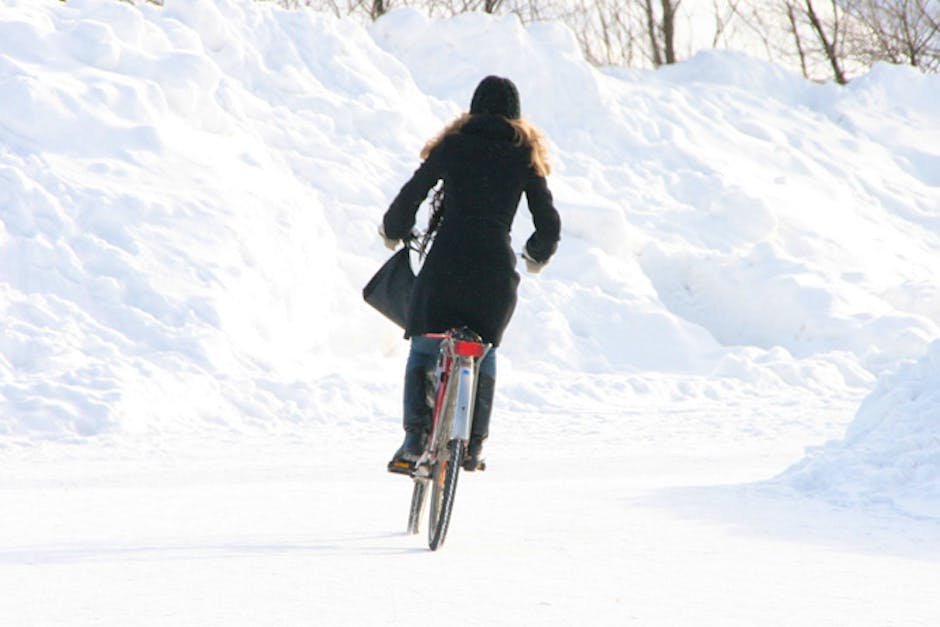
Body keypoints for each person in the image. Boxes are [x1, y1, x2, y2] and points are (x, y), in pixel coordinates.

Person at [380, 75, 561, 472]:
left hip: (446, 267)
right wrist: (535, 253)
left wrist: (394, 230)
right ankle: (474, 443)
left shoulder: (453, 145)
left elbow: (410, 196)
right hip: (493, 276)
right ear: (516, 116)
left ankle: (414, 440)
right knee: (485, 348)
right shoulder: (524, 155)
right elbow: (548, 226)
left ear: (473, 110)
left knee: (424, 347)